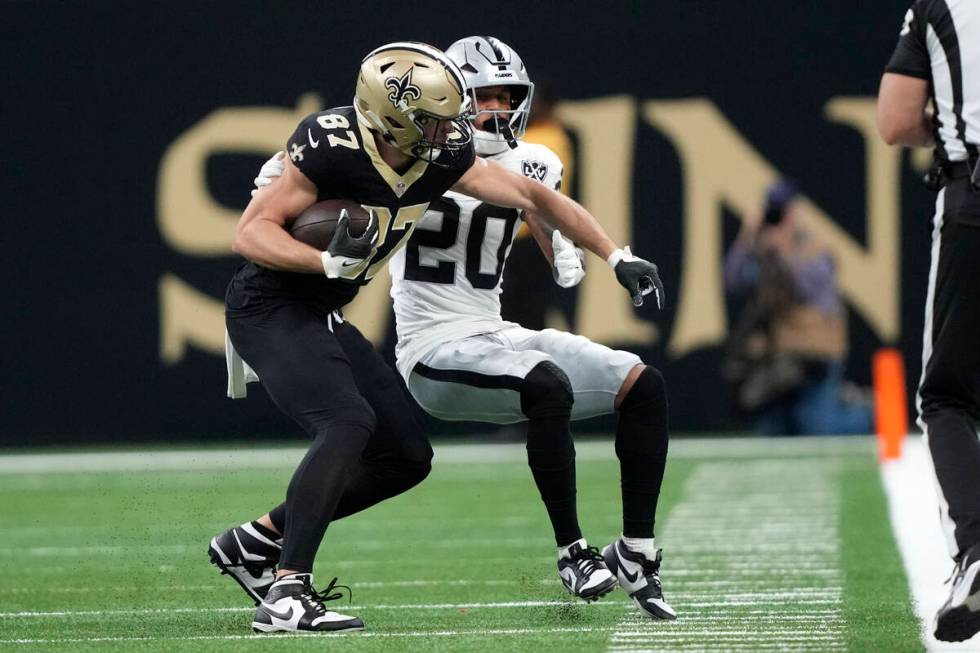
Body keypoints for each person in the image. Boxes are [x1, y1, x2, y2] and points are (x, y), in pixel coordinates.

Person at [211, 41, 666, 634]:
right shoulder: (328, 146)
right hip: (268, 304)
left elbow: (533, 196)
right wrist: (321, 262)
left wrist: (614, 254)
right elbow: (250, 234)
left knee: (406, 458)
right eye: (433, 121)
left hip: (322, 310)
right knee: (347, 423)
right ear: (390, 118)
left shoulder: (439, 151)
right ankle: (287, 591)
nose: (451, 132)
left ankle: (253, 543)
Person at [389, 36, 674, 620]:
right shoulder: (409, 156)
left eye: (507, 96)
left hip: (492, 333)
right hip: (431, 349)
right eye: (483, 96)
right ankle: (573, 552)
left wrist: (589, 251)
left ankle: (635, 552)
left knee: (643, 386)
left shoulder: (533, 160)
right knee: (547, 384)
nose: (496, 109)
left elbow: (536, 204)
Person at [877, 1, 980, 642]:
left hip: (974, 201)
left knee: (945, 395)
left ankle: (976, 548)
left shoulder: (939, 6)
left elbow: (895, 121)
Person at [722, 179, 872, 436]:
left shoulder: (814, 247)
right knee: (772, 433)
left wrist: (784, 249)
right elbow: (734, 279)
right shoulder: (762, 248)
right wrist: (746, 238)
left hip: (815, 357)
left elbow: (809, 289)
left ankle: (868, 410)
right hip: (780, 359)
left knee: (819, 429)